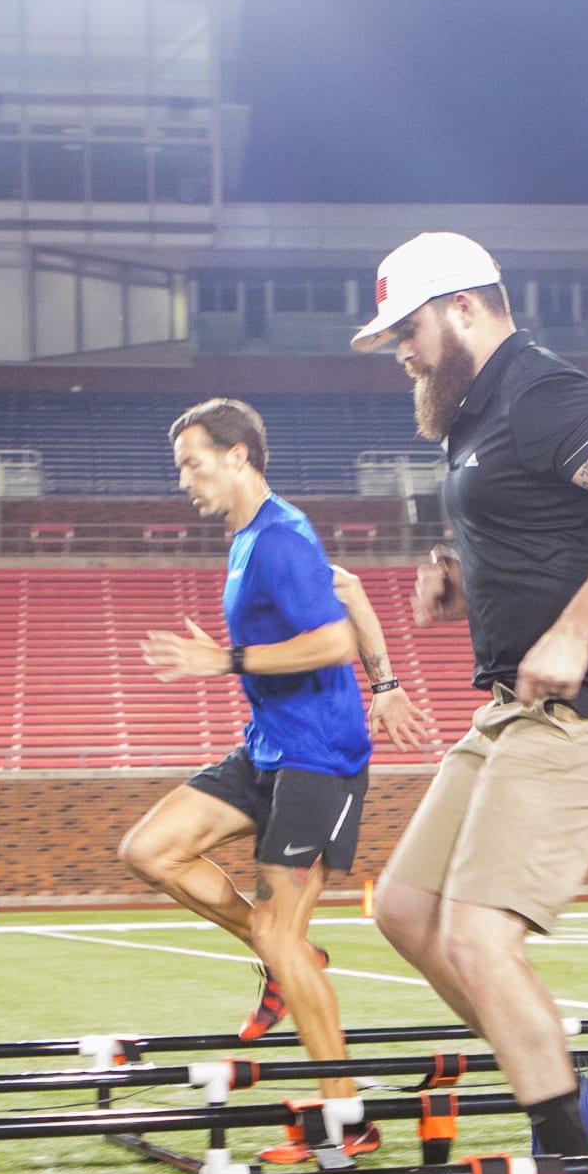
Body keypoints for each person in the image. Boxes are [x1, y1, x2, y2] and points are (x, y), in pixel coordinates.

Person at [354, 232, 588, 1174]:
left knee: (476, 933)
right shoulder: (472, 416)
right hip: (514, 705)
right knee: (404, 912)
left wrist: (576, 628)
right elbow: (544, 529)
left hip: (586, 708)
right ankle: (577, 1098)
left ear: (463, 308)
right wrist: (466, 586)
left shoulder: (537, 390)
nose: (402, 354)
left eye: (408, 332)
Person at [122, 399, 428, 1136]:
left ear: (239, 455)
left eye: (193, 463)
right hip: (268, 747)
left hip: (318, 759)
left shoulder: (279, 537)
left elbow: (328, 640)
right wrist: (387, 686)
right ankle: (288, 949)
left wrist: (221, 660)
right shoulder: (253, 536)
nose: (185, 480)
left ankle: (346, 1117)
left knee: (277, 937)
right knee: (149, 850)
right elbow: (348, 589)